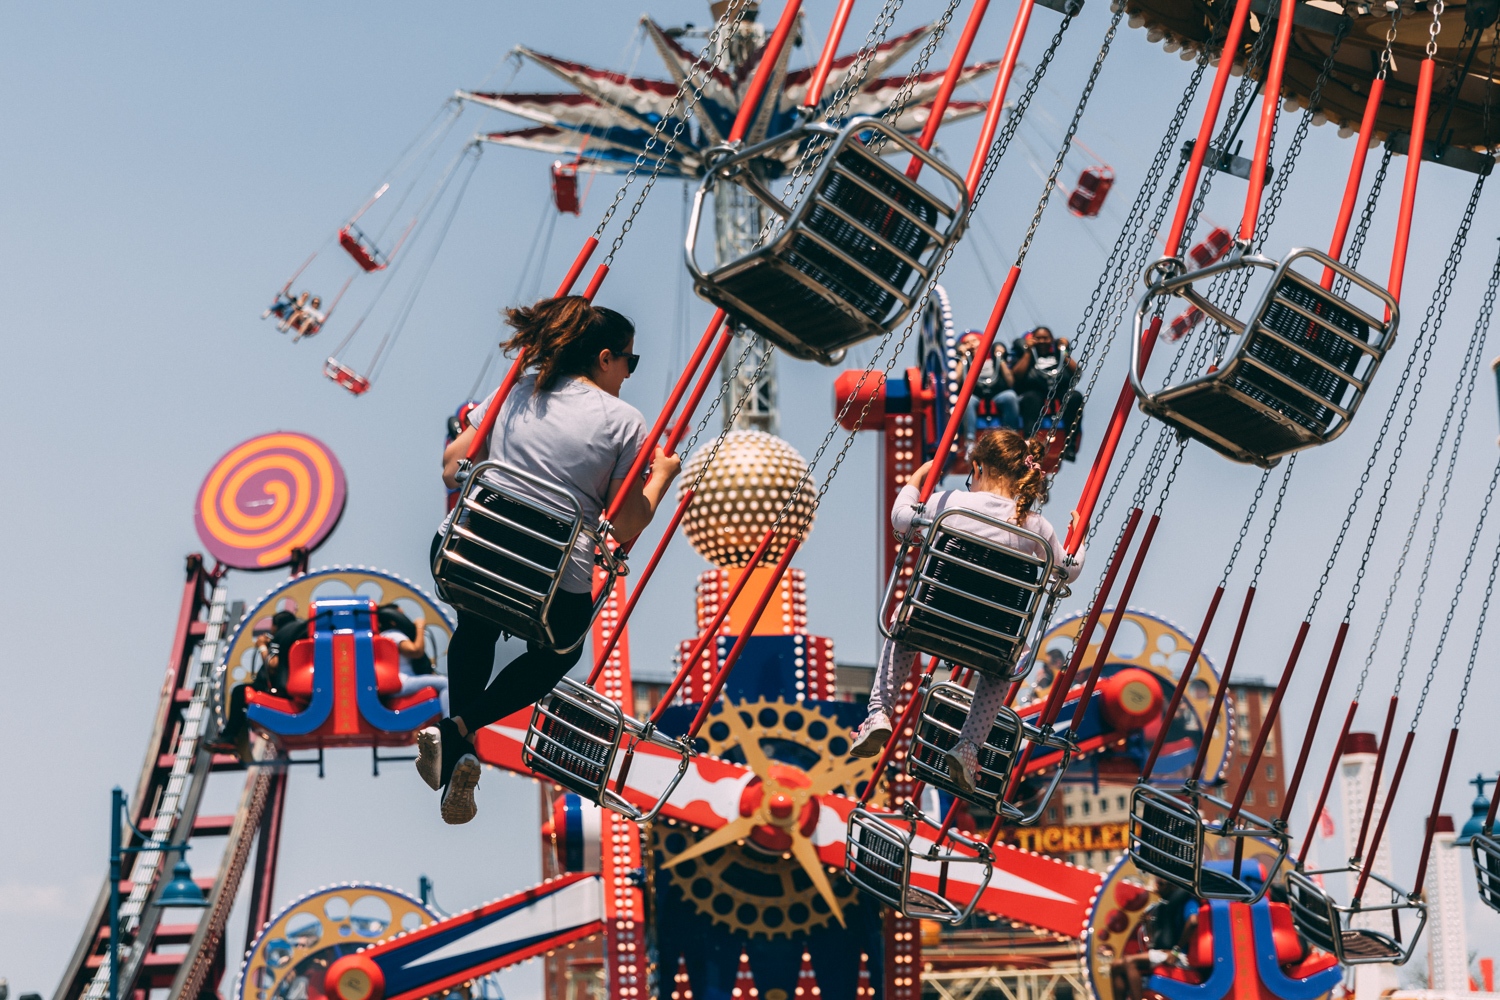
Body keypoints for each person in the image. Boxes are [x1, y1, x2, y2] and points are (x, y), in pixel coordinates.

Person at [421, 295, 681, 824]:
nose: (630, 375)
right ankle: (460, 728)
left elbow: (453, 468)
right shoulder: (627, 423)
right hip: (551, 572)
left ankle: (461, 753)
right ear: (605, 358)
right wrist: (662, 479)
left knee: (477, 625)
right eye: (630, 362)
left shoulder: (519, 388)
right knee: (561, 650)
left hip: (474, 549)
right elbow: (626, 524)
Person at [849, 429, 1083, 793]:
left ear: (978, 467)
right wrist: (1076, 537)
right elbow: (1068, 569)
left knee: (903, 624)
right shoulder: (1036, 527)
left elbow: (901, 518)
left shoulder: (951, 503)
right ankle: (969, 747)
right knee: (1002, 666)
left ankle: (879, 712)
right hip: (992, 642)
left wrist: (919, 476)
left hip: (931, 621)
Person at [1010, 326, 1084, 460]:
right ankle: (1029, 442)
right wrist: (1028, 352)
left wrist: (1064, 351)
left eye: (1046, 338)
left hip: (1059, 389)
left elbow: (1077, 373)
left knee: (1074, 397)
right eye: (1038, 338)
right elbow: (1017, 377)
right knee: (1030, 399)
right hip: (1036, 390)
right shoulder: (1027, 356)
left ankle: (1070, 444)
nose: (1042, 341)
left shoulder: (1058, 355)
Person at [376, 603, 448, 714]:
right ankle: (448, 722)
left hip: (403, 682)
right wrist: (420, 627)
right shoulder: (394, 634)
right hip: (404, 682)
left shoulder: (385, 634)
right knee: (445, 683)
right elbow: (415, 651)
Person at [955, 331, 1022, 436]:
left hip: (997, 392)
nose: (971, 344)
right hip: (975, 394)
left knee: (1010, 396)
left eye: (974, 341)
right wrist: (962, 357)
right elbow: (956, 381)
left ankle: (1011, 435)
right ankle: (969, 439)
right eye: (966, 343)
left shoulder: (994, 359)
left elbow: (1010, 382)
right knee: (966, 400)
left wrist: (1000, 358)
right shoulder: (965, 362)